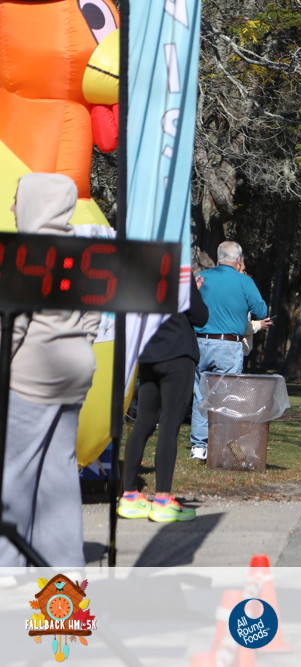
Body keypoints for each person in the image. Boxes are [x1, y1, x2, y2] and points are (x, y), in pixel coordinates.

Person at [0, 173, 100, 566]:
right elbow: (94, 317)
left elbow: (12, 327)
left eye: (17, 198)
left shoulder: (26, 253)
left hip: (31, 376)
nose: (12, 207)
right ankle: (64, 583)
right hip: (75, 373)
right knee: (58, 479)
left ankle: (7, 574)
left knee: (12, 478)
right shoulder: (85, 254)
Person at [118, 279, 209, 522]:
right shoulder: (180, 272)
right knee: (169, 426)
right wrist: (195, 292)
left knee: (143, 424)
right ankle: (162, 499)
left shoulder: (141, 272)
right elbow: (200, 316)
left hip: (148, 353)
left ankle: (129, 495)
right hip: (177, 353)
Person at [189, 242, 269, 460]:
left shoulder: (202, 277)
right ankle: (222, 443)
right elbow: (261, 310)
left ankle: (199, 446)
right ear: (239, 260)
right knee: (227, 396)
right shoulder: (244, 281)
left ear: (218, 257)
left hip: (200, 342)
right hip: (228, 344)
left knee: (201, 395)